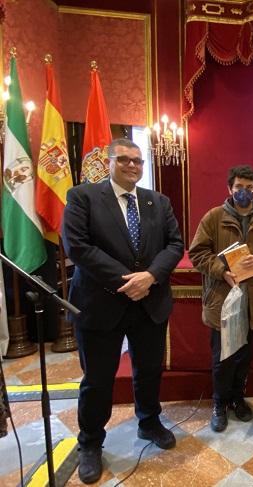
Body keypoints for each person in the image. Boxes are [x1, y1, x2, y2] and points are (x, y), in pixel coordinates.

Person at [62, 138, 184, 484]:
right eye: (125, 160)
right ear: (110, 161)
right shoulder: (83, 197)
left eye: (138, 161)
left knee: (148, 370)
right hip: (101, 304)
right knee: (98, 379)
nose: (133, 166)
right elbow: (78, 246)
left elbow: (175, 244)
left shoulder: (157, 201)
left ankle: (148, 421)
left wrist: (151, 277)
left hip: (150, 302)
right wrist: (128, 280)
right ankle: (90, 443)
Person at [189, 165, 253, 433]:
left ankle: (238, 399)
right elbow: (197, 254)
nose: (244, 192)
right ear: (229, 189)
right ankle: (219, 404)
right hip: (223, 297)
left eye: (249, 188)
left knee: (244, 355)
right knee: (223, 357)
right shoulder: (213, 217)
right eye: (239, 187)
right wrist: (222, 271)